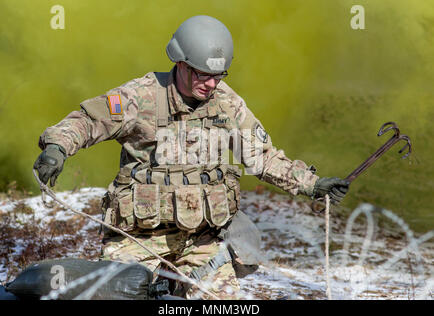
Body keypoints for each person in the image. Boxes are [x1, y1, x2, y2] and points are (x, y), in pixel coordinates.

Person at [33, 15, 349, 299]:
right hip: (140, 236)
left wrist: (312, 184)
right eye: (202, 74)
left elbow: (261, 156)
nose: (211, 84)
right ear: (181, 63)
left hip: (202, 240)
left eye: (219, 75)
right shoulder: (141, 96)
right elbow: (89, 120)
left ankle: (176, 285)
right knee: (120, 294)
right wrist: (57, 147)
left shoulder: (227, 103)